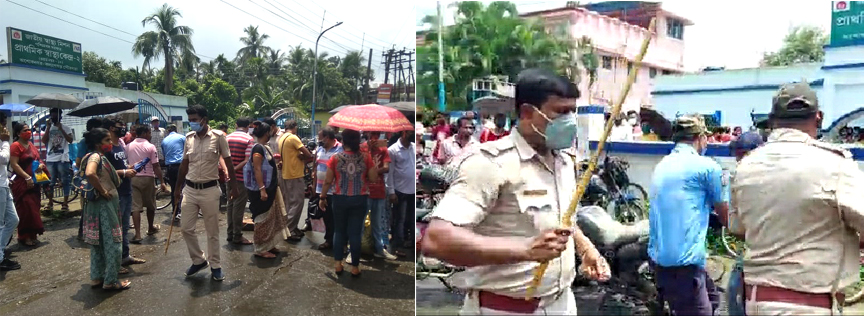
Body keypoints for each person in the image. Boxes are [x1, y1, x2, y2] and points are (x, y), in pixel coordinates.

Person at [421, 68, 609, 315]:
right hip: (506, 308)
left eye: (572, 111)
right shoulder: (490, 163)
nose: (570, 121)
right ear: (527, 112)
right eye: (561, 112)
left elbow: (564, 219)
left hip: (562, 303)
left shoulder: (564, 161)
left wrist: (586, 249)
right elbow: (436, 239)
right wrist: (525, 250)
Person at [731, 83, 864, 315]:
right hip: (808, 306)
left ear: (772, 120)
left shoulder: (746, 166)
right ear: (819, 117)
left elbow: (738, 227)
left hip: (754, 301)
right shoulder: (837, 165)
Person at [648, 115, 727, 316]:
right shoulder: (707, 167)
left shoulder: (662, 164)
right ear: (700, 137)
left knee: (714, 299)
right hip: (682, 266)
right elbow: (726, 215)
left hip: (662, 262)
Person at [174, 105, 238, 281]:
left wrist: (234, 187)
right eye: (190, 120)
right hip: (190, 189)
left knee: (212, 231)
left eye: (195, 120)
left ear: (204, 119)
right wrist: (177, 188)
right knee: (186, 228)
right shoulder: (189, 139)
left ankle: (215, 265)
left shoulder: (218, 137)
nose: (192, 123)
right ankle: (199, 260)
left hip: (210, 190)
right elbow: (184, 165)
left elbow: (229, 162)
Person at [318, 129, 378, 277]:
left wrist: (322, 197)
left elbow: (327, 181)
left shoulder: (335, 158)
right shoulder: (366, 157)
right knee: (355, 233)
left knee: (339, 231)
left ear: (343, 141)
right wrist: (373, 162)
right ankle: (355, 267)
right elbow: (373, 178)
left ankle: (338, 265)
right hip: (359, 198)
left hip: (339, 198)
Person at [80, 127, 131, 290]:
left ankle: (97, 277)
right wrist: (103, 190)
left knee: (98, 244)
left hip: (96, 206)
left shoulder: (92, 156)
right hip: (104, 206)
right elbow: (90, 173)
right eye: (107, 140)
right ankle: (110, 280)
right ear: (97, 143)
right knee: (113, 243)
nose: (110, 143)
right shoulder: (95, 156)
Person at [725, 131, 764, 316]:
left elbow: (735, 228)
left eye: (741, 154)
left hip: (757, 248)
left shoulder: (741, 177)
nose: (738, 160)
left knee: (734, 292)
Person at [102, 118, 146, 269]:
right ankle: (114, 262)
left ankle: (125, 256)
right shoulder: (106, 149)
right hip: (116, 192)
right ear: (110, 128)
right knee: (116, 228)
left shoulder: (120, 145)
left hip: (127, 189)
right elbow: (104, 171)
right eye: (119, 127)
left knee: (125, 227)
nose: (122, 129)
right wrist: (124, 172)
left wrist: (130, 167)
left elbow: (122, 165)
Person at [248, 122, 289, 258]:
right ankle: (260, 248)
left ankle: (268, 244)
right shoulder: (258, 148)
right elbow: (257, 169)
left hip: (269, 188)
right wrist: (262, 189)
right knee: (262, 219)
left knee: (271, 217)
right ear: (266, 133)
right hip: (262, 190)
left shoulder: (264, 147)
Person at [126, 125, 168, 243]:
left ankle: (138, 234)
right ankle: (150, 228)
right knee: (150, 204)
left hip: (133, 177)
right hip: (148, 178)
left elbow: (126, 163)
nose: (150, 135)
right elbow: (156, 165)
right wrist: (162, 181)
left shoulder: (128, 146)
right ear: (145, 133)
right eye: (149, 133)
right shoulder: (150, 146)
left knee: (135, 207)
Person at [360, 131, 396, 260]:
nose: (375, 138)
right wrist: (368, 149)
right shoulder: (362, 148)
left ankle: (379, 249)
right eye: (372, 135)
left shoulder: (383, 149)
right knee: (360, 222)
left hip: (379, 190)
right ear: (367, 135)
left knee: (377, 222)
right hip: (365, 191)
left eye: (377, 134)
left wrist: (373, 172)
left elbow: (386, 167)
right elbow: (359, 166)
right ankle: (353, 251)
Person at [10, 123, 46, 247]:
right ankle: (24, 236)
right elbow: (14, 164)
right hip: (22, 182)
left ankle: (33, 235)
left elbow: (38, 159)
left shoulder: (31, 145)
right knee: (25, 210)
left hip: (35, 181)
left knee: (34, 209)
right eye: (25, 130)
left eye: (29, 130)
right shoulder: (15, 146)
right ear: (18, 133)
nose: (29, 132)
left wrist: (41, 164)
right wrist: (27, 177)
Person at [277, 120, 313, 242]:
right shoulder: (293, 138)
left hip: (286, 173)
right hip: (294, 173)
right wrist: (303, 156)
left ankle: (292, 227)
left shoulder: (281, 138)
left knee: (289, 203)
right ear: (295, 127)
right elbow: (308, 154)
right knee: (297, 203)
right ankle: (289, 229)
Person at [386, 130, 416, 257]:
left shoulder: (414, 147)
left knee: (412, 219)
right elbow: (389, 173)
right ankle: (397, 246)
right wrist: (391, 192)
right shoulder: (393, 150)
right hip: (400, 190)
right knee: (400, 219)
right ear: (404, 133)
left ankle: (413, 244)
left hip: (413, 190)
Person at [311, 127, 341, 250]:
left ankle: (339, 242)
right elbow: (315, 167)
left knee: (337, 217)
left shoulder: (340, 149)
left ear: (327, 138)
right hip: (320, 189)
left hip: (335, 190)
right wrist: (314, 185)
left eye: (320, 138)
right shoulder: (320, 149)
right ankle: (329, 240)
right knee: (326, 216)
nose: (319, 140)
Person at [226, 117, 254, 245]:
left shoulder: (228, 137)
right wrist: (235, 169)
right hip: (241, 178)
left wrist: (229, 171)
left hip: (229, 177)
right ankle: (237, 235)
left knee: (230, 204)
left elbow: (223, 156)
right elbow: (247, 160)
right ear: (248, 126)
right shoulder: (249, 139)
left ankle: (230, 233)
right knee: (239, 206)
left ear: (236, 125)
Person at [0, 113, 20, 271]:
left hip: (4, 184)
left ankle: (0, 250)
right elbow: (4, 159)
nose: (5, 128)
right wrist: (6, 142)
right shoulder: (4, 142)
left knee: (13, 220)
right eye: (3, 124)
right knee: (0, 224)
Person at [44, 108, 74, 212]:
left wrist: (61, 129)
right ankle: (50, 202)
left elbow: (70, 140)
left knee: (65, 181)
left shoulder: (66, 128)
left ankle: (65, 203)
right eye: (52, 116)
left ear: (60, 117)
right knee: (50, 182)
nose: (54, 118)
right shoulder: (49, 128)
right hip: (51, 158)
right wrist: (48, 128)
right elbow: (44, 141)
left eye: (56, 116)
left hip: (62, 158)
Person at [161, 124, 185, 222]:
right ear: (176, 130)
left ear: (168, 131)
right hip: (181, 166)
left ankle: (175, 211)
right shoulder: (182, 138)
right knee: (183, 188)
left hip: (170, 167)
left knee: (174, 189)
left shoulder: (164, 141)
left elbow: (164, 154)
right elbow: (187, 151)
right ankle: (182, 211)